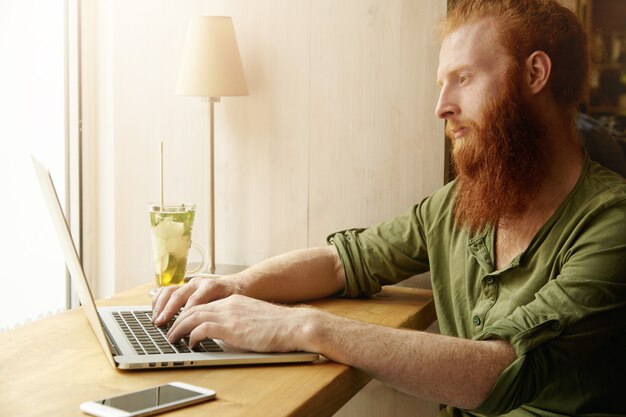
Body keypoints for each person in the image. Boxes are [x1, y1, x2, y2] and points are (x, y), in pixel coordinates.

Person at [152, 0, 626, 415]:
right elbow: (347, 260)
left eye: (463, 78)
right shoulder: (459, 205)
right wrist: (233, 285)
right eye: (441, 84)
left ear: (535, 73)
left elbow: (502, 370)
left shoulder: (611, 222)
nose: (441, 106)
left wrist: (301, 326)